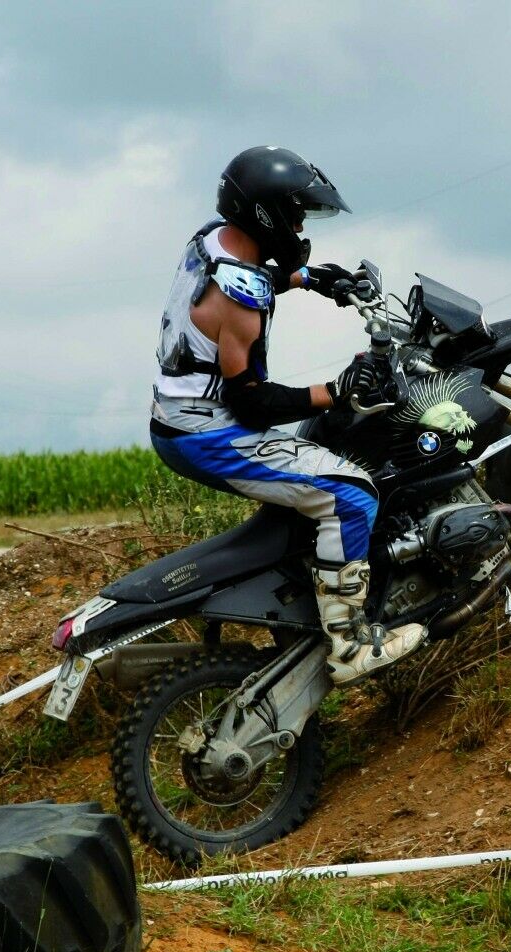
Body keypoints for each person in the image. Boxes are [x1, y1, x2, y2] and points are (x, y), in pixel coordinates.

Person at [148, 146, 426, 686]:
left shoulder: (211, 238)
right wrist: (337, 390)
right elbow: (250, 401)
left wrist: (314, 279)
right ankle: (350, 645)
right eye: (295, 214)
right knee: (352, 494)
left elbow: (252, 273)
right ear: (267, 214)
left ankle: (322, 575)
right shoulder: (240, 300)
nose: (301, 226)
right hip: (207, 433)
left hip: (179, 414)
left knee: (324, 457)